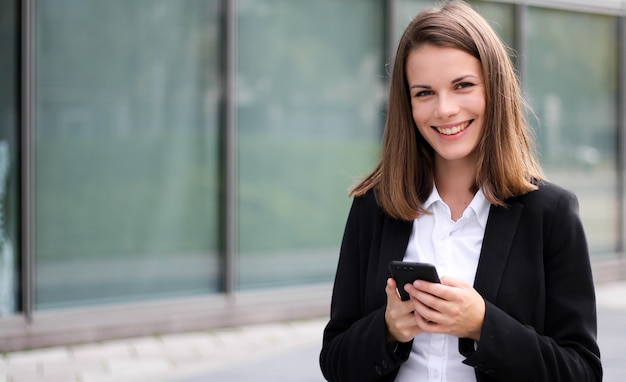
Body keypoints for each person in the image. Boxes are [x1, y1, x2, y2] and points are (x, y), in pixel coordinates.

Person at [318, 1, 602, 381]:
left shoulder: (550, 213)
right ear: (408, 104)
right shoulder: (375, 207)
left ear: (494, 89)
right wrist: (388, 330)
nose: (445, 109)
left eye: (463, 85)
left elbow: (581, 371)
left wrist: (483, 325)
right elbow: (335, 362)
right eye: (424, 93)